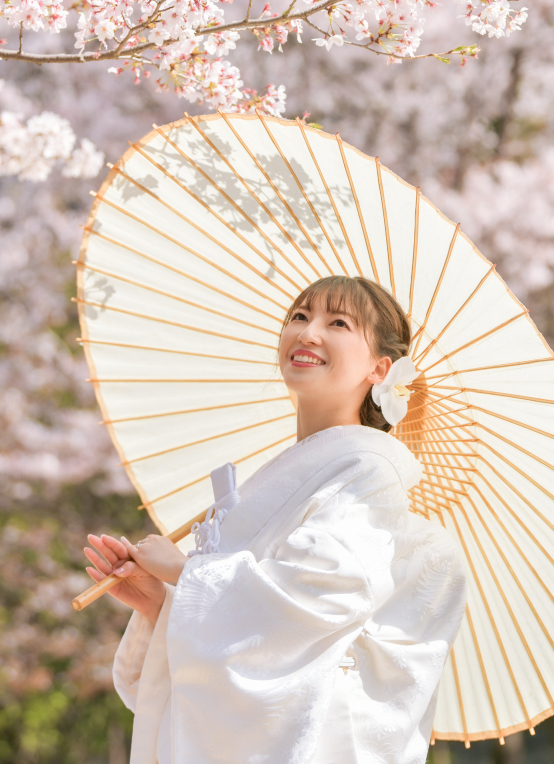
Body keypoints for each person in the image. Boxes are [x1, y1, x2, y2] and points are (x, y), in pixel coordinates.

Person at [84, 275, 467, 764]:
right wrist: (162, 605)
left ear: (381, 368)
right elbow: (252, 631)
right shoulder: (291, 473)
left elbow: (324, 591)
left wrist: (186, 573)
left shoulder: (368, 472)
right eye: (300, 316)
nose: (307, 333)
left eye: (338, 322)